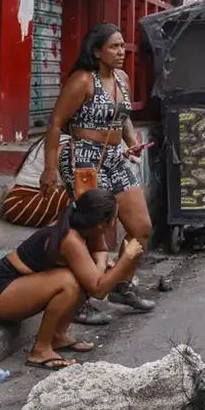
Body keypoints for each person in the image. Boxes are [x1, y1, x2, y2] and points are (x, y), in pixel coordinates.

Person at [40, 23, 155, 314]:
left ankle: (122, 286)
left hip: (116, 157)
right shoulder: (82, 80)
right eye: (114, 47)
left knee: (141, 227)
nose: (121, 51)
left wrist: (131, 141)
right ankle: (77, 301)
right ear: (96, 52)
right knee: (91, 232)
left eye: (122, 46)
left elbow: (122, 116)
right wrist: (49, 169)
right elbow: (55, 123)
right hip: (84, 158)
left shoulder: (122, 79)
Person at [0, 189, 143, 370]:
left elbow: (100, 252)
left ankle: (57, 336)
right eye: (115, 218)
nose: (115, 222)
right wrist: (126, 258)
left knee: (82, 277)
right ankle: (40, 350)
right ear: (103, 224)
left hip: (15, 289)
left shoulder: (89, 226)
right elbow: (99, 290)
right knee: (69, 281)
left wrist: (98, 268)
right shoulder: (70, 239)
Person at [4, 136, 113, 326]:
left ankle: (91, 276)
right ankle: (81, 298)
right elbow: (83, 194)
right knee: (88, 205)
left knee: (96, 203)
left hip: (45, 200)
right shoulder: (65, 144)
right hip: (23, 201)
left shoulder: (82, 144)